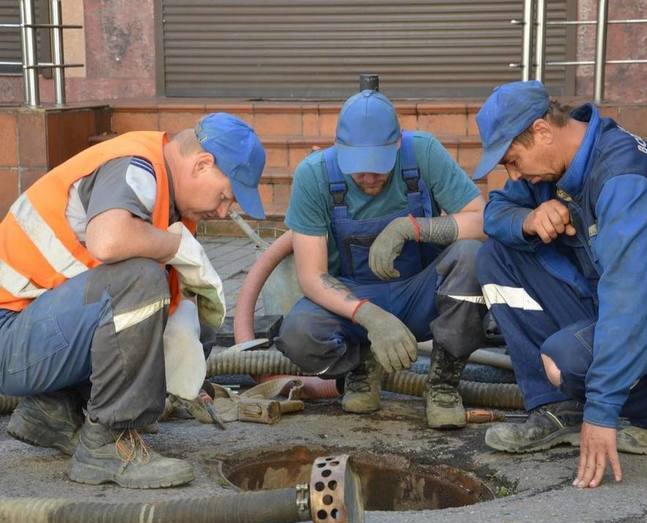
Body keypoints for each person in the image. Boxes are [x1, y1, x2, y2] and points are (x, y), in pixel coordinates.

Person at [472, 80, 647, 488]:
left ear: (543, 131)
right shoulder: (558, 164)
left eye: (513, 161)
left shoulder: (621, 176)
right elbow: (495, 210)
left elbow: (629, 298)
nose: (516, 174)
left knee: (563, 358)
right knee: (497, 256)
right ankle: (558, 408)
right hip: (631, 298)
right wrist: (526, 219)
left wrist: (601, 412)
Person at [0, 113, 266, 488]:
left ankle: (53, 411)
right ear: (202, 164)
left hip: (32, 333)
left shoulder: (164, 195)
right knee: (140, 279)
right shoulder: (136, 166)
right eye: (225, 196)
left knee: (174, 297)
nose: (223, 211)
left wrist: (187, 374)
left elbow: (161, 316)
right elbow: (108, 241)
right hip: (9, 337)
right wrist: (177, 247)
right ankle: (109, 442)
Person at [274, 88, 487, 429]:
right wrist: (368, 316)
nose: (370, 178)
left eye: (379, 168)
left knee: (474, 257)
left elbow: (481, 221)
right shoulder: (314, 175)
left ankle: (444, 384)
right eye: (359, 169)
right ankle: (362, 365)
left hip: (419, 293)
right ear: (339, 148)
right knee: (298, 334)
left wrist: (411, 228)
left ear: (398, 144)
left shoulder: (424, 153)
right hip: (353, 299)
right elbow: (311, 277)